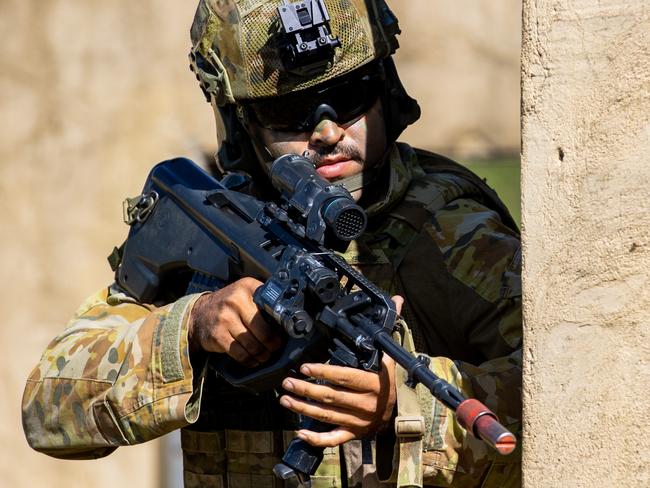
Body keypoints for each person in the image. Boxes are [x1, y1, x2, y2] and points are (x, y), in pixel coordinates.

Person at [22, 1, 522, 486]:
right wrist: (191, 325)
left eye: (349, 96)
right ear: (243, 123)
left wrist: (403, 406)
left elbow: (571, 398)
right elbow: (47, 408)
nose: (327, 132)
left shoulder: (455, 232)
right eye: (292, 111)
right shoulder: (217, 226)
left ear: (386, 90)